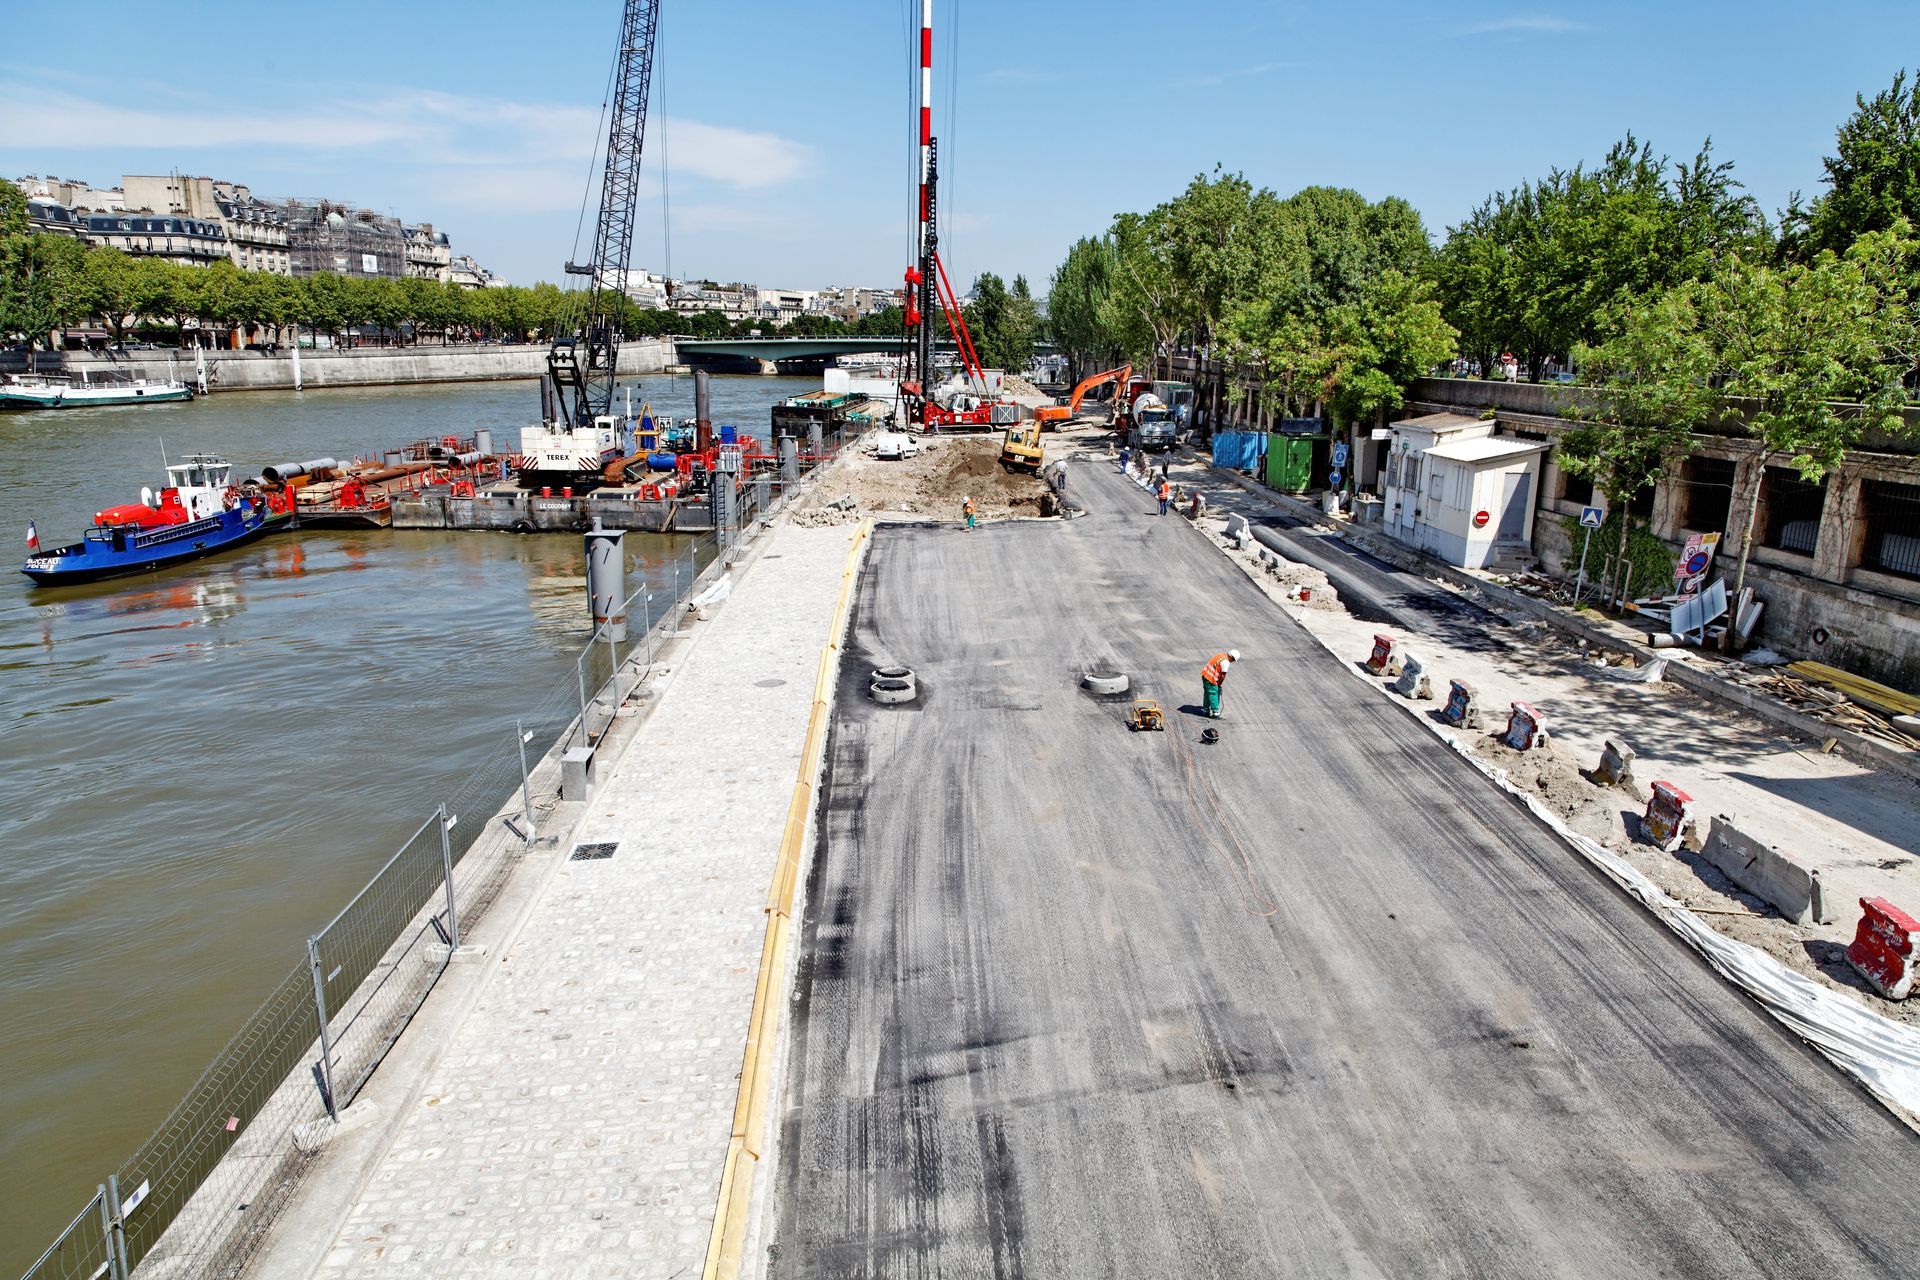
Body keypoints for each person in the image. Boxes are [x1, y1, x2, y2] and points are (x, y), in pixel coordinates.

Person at [1200, 648, 1239, 719]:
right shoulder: (1226, 662)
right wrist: (1219, 685)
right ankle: (1215, 712)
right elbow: (1222, 676)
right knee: (1213, 694)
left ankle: (1205, 710)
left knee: (1207, 693)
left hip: (1205, 675)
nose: (1232, 661)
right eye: (1233, 660)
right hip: (1211, 678)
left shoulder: (1220, 655)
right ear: (1232, 657)